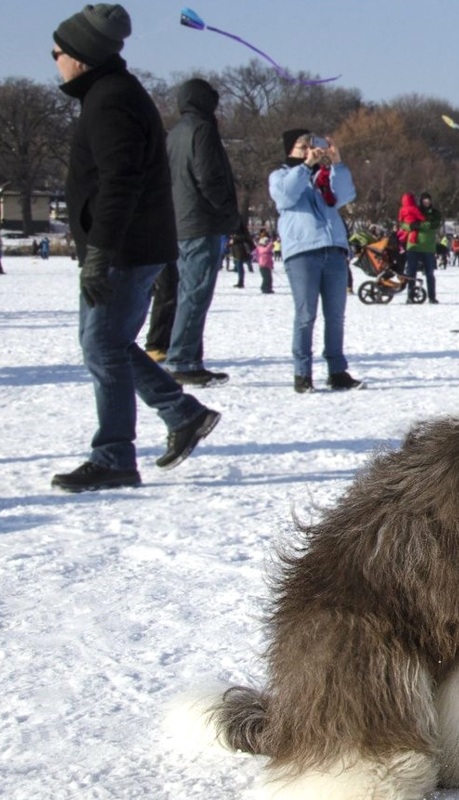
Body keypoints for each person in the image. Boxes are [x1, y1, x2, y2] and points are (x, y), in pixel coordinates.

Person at [49, 3, 222, 493]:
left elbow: (119, 182)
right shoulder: (109, 94)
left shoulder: (111, 100)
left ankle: (114, 455)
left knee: (102, 346)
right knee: (108, 344)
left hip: (124, 249)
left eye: (58, 51)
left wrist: (100, 251)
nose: (54, 59)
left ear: (81, 56)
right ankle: (182, 413)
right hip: (128, 246)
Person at [270, 129, 362, 393]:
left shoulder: (323, 178)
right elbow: (285, 197)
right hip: (302, 252)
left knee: (335, 316)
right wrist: (306, 166)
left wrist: (337, 163)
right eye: (302, 147)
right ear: (290, 150)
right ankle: (302, 373)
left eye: (311, 146)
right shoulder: (280, 176)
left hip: (333, 250)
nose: (309, 150)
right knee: (305, 315)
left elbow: (345, 195)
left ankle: (337, 370)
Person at [165, 77, 239, 387]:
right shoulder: (202, 130)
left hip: (180, 223)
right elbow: (209, 178)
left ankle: (190, 359)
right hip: (201, 222)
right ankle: (182, 360)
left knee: (188, 293)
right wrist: (229, 214)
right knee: (195, 295)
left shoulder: (173, 134)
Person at [398, 192, 440, 303]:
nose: (426, 202)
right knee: (411, 272)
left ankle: (432, 297)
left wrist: (419, 225)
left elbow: (433, 225)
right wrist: (410, 226)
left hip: (428, 247)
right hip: (414, 246)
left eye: (428, 199)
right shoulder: (414, 209)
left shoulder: (435, 213)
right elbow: (403, 223)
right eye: (424, 200)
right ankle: (410, 296)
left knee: (429, 273)